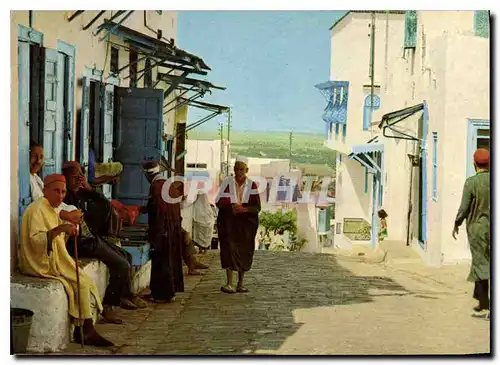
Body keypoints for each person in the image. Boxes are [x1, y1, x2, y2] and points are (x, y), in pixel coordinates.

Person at [19, 173, 113, 346]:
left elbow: (58, 240)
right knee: (80, 282)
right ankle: (86, 329)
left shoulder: (52, 208)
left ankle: (84, 328)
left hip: (53, 257)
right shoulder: (36, 209)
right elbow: (36, 241)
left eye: (63, 192)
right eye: (56, 191)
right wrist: (61, 228)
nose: (61, 196)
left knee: (83, 280)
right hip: (38, 263)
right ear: (45, 190)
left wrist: (66, 230)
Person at [62, 161, 146, 324]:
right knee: (121, 264)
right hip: (81, 243)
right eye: (75, 177)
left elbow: (105, 206)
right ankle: (108, 306)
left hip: (90, 238)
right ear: (65, 178)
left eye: (81, 175)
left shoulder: (81, 193)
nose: (79, 179)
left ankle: (124, 294)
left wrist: (89, 188)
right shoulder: (66, 196)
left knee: (126, 256)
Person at [453, 148, 490, 318]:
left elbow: (464, 208)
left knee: (482, 265)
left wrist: (457, 223)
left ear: (474, 164)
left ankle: (487, 306)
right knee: (484, 263)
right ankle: (482, 301)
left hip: (478, 230)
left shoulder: (471, 183)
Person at [217, 157, 261, 294]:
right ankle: (229, 283)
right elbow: (219, 201)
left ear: (246, 170)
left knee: (243, 251)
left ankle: (240, 283)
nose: (239, 172)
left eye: (241, 169)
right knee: (229, 250)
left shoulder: (251, 185)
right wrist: (231, 206)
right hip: (229, 221)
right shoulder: (227, 183)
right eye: (236, 169)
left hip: (245, 224)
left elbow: (257, 206)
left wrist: (245, 209)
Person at [143, 161, 185, 303]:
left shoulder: (157, 186)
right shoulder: (167, 184)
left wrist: (158, 233)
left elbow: (159, 211)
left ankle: (163, 295)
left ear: (148, 175)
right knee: (166, 261)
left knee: (162, 262)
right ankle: (159, 292)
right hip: (172, 228)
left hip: (164, 229)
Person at [29, 142, 83, 225]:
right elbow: (42, 202)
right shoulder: (27, 178)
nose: (38, 161)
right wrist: (64, 214)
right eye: (34, 156)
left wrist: (72, 211)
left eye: (41, 157)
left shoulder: (35, 177)